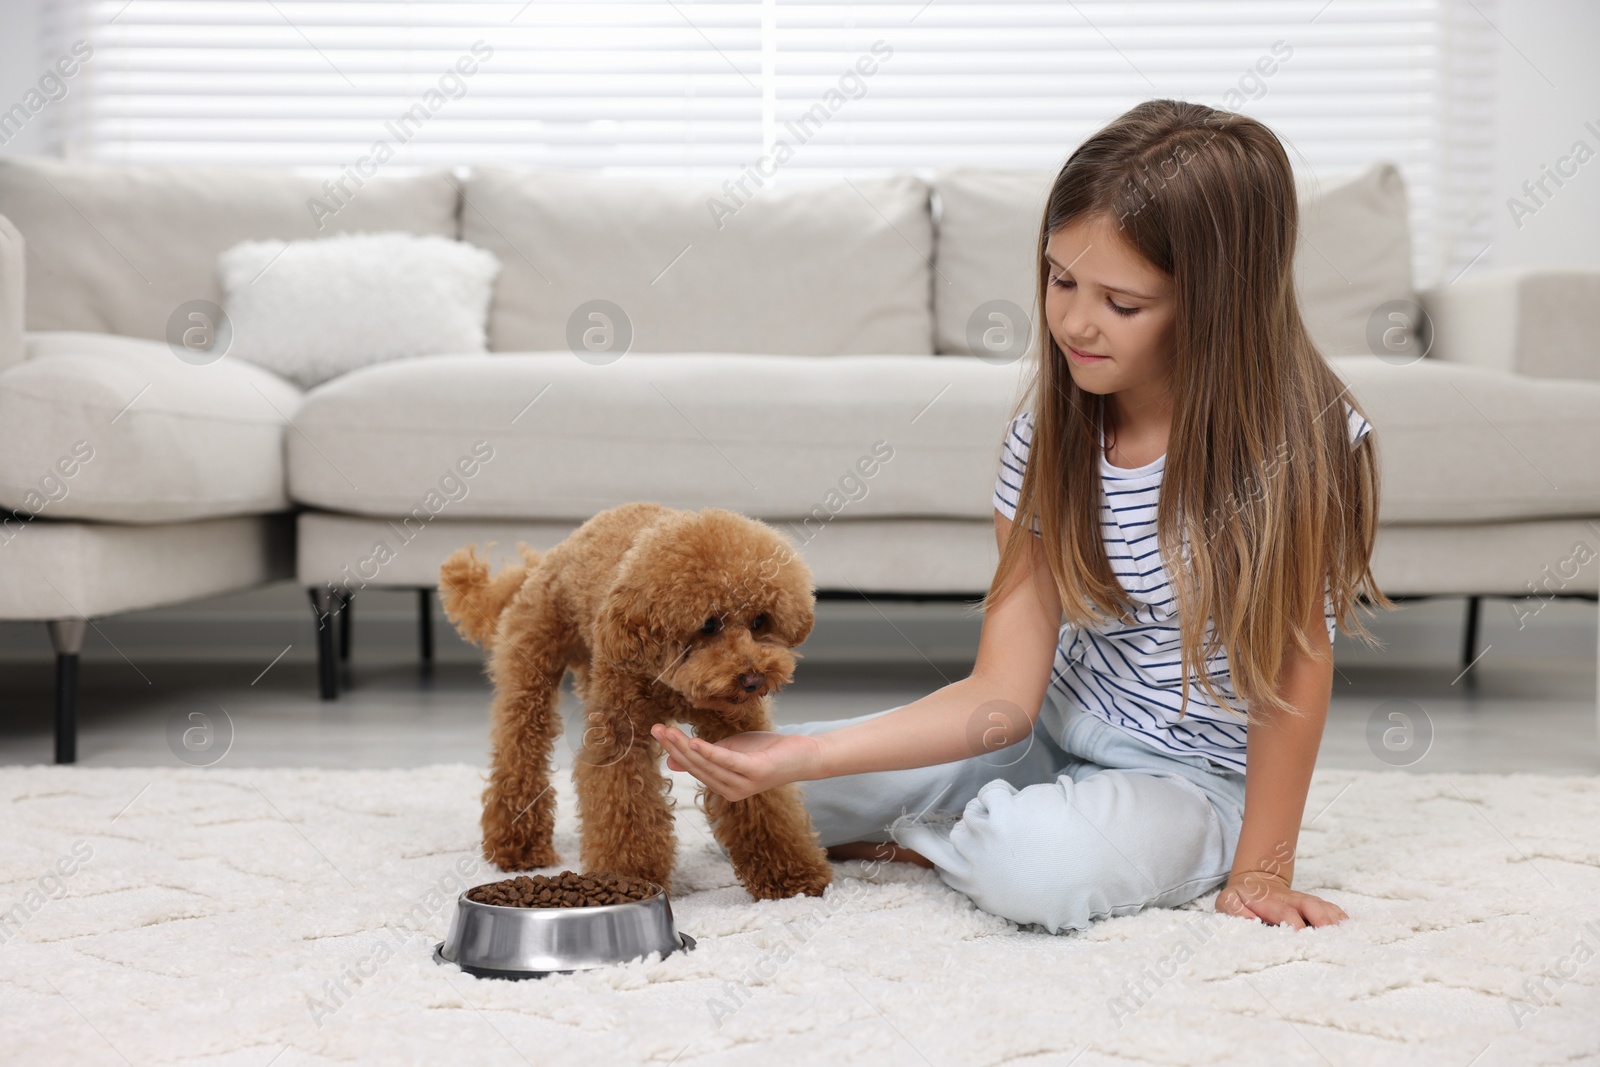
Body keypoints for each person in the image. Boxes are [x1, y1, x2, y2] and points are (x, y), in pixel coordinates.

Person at [651, 98, 1391, 935]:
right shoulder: (1050, 434)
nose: (1075, 321)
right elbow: (1003, 693)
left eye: (1122, 301)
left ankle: (969, 839)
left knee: (1035, 870)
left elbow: (1297, 670)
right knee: (772, 788)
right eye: (1060, 278)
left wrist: (1262, 867)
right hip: (1038, 734)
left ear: (1216, 302)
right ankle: (1001, 821)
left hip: (1190, 782)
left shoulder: (1303, 444)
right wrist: (805, 754)